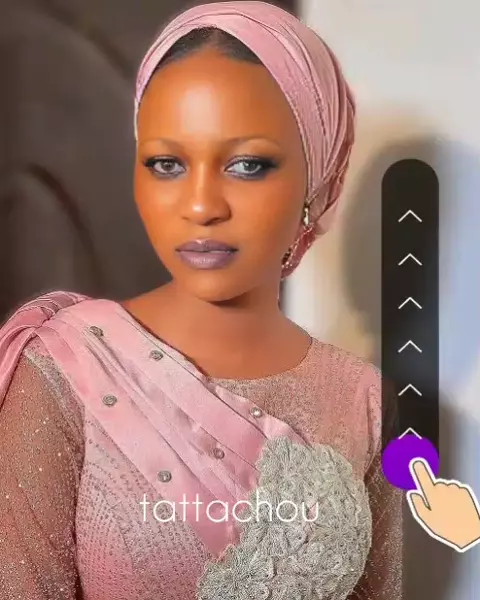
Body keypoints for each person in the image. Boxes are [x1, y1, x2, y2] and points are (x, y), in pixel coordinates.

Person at [0, 2, 402, 599]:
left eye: (247, 164)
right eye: (167, 163)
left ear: (316, 179)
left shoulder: (361, 398)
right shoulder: (66, 370)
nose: (201, 206)